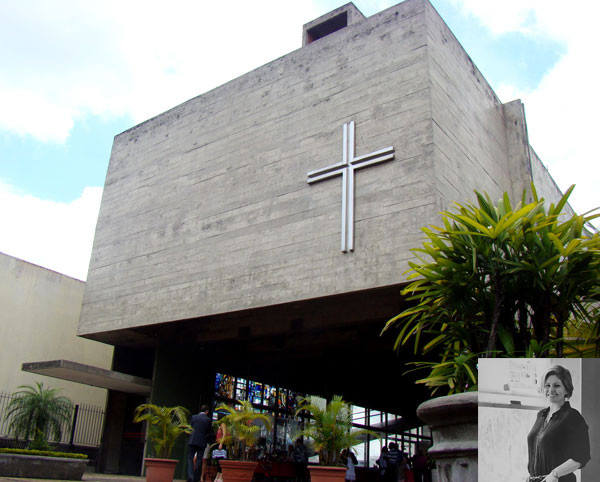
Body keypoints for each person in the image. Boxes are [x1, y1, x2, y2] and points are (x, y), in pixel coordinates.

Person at [526, 365, 591, 482]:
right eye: (547, 385)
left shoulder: (573, 417)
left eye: (556, 385)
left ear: (567, 389)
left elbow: (582, 455)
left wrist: (555, 474)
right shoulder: (541, 415)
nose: (551, 390)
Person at [188, 404, 213, 482]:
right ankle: (196, 478)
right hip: (202, 442)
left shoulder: (194, 417)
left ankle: (190, 476)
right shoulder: (208, 420)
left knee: (190, 458)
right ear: (207, 411)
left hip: (192, 440)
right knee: (199, 459)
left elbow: (190, 427)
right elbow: (209, 432)